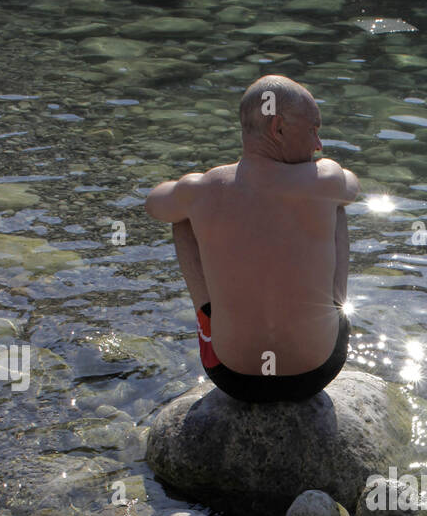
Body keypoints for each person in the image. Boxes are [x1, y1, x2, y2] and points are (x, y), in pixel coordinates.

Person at [144, 75, 360, 403]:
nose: (318, 144)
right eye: (313, 129)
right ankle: (333, 312)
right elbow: (352, 186)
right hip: (316, 372)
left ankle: (209, 321)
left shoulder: (203, 188)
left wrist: (191, 187)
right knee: (337, 209)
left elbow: (154, 204)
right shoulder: (324, 180)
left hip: (231, 376)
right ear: (278, 128)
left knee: (183, 218)